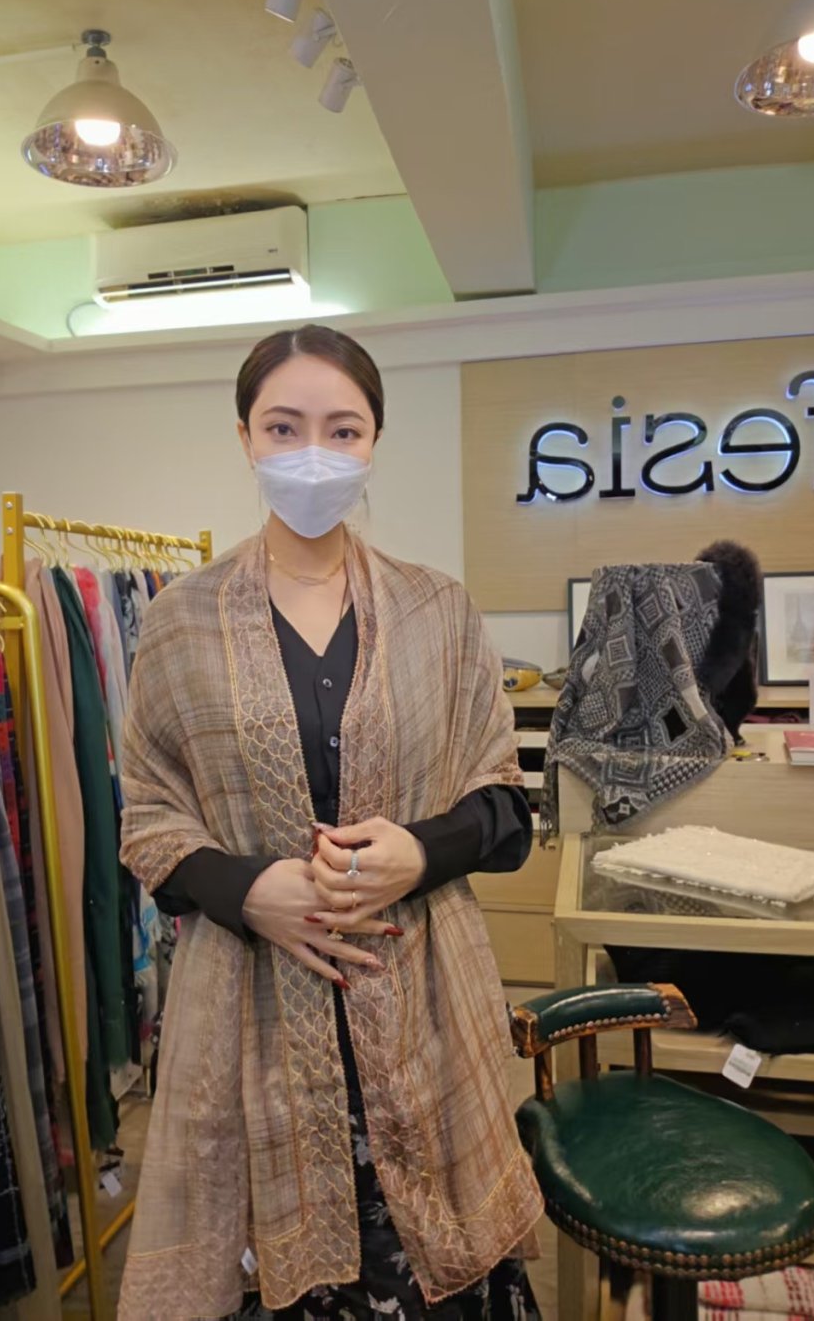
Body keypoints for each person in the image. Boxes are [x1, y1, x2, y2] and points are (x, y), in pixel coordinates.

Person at [117, 325, 544, 1321]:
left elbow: (504, 805)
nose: (313, 451)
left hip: (422, 1008)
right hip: (249, 1023)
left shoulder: (438, 611)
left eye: (342, 429)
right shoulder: (179, 621)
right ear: (245, 437)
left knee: (433, 1273)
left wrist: (417, 852)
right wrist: (247, 891)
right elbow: (147, 816)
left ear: (373, 442)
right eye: (284, 426)